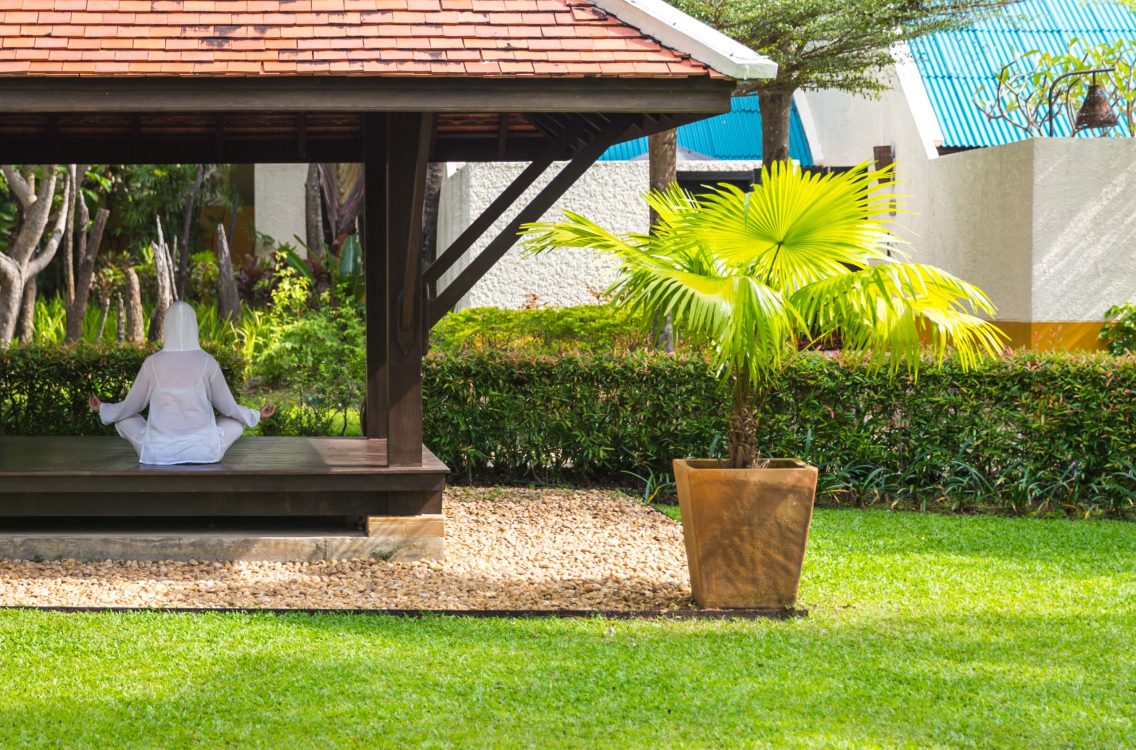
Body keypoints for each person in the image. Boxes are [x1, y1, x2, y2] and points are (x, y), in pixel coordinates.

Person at [88, 301, 275, 465]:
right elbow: (228, 407)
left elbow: (132, 405)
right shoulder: (206, 361)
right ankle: (203, 446)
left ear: (166, 325)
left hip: (158, 451)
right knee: (235, 422)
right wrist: (255, 414)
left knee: (124, 418)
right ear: (194, 325)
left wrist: (104, 408)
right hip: (204, 450)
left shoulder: (152, 363)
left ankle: (157, 447)